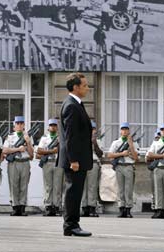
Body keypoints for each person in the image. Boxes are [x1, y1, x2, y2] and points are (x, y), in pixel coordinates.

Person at [57, 73, 93, 237]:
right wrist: (74, 160)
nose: (87, 88)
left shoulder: (75, 103)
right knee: (73, 192)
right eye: (85, 85)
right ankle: (71, 225)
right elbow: (70, 136)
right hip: (75, 159)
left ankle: (72, 224)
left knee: (75, 191)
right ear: (76, 87)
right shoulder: (71, 105)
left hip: (77, 157)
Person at [3, 116, 33, 216]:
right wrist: (18, 149)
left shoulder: (28, 136)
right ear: (14, 126)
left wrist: (28, 142)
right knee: (14, 185)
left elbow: (32, 154)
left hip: (25, 162)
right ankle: (15, 207)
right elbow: (5, 150)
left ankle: (22, 207)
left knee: (24, 185)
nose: (19, 125)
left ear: (24, 125)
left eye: (21, 123)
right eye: (17, 124)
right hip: (14, 163)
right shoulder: (10, 137)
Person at [108, 122, 139, 218]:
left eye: (126, 129)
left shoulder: (134, 143)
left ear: (129, 131)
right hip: (119, 166)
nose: (125, 131)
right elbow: (109, 155)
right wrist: (122, 154)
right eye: (123, 129)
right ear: (120, 131)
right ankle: (121, 209)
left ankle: (128, 208)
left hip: (129, 166)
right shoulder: (116, 142)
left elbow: (136, 158)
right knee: (120, 188)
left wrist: (131, 145)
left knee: (128, 189)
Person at [36, 119, 64, 217]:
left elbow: (65, 151)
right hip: (47, 163)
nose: (53, 127)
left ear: (57, 127)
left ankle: (56, 206)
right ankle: (48, 206)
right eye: (51, 125)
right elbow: (39, 151)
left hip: (57, 163)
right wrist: (52, 151)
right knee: (48, 186)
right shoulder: (44, 138)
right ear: (48, 127)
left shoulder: (61, 138)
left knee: (57, 186)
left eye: (54, 125)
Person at [81, 121, 103, 217]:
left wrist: (94, 143)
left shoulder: (98, 141)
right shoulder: (81, 139)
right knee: (83, 187)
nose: (91, 131)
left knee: (92, 186)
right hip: (83, 163)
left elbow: (100, 154)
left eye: (93, 129)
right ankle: (84, 208)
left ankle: (92, 207)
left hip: (93, 163)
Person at [146, 128, 161, 214]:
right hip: (154, 169)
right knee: (154, 189)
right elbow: (147, 158)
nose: (157, 138)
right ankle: (155, 207)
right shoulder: (153, 146)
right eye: (156, 137)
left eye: (159, 136)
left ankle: (161, 208)